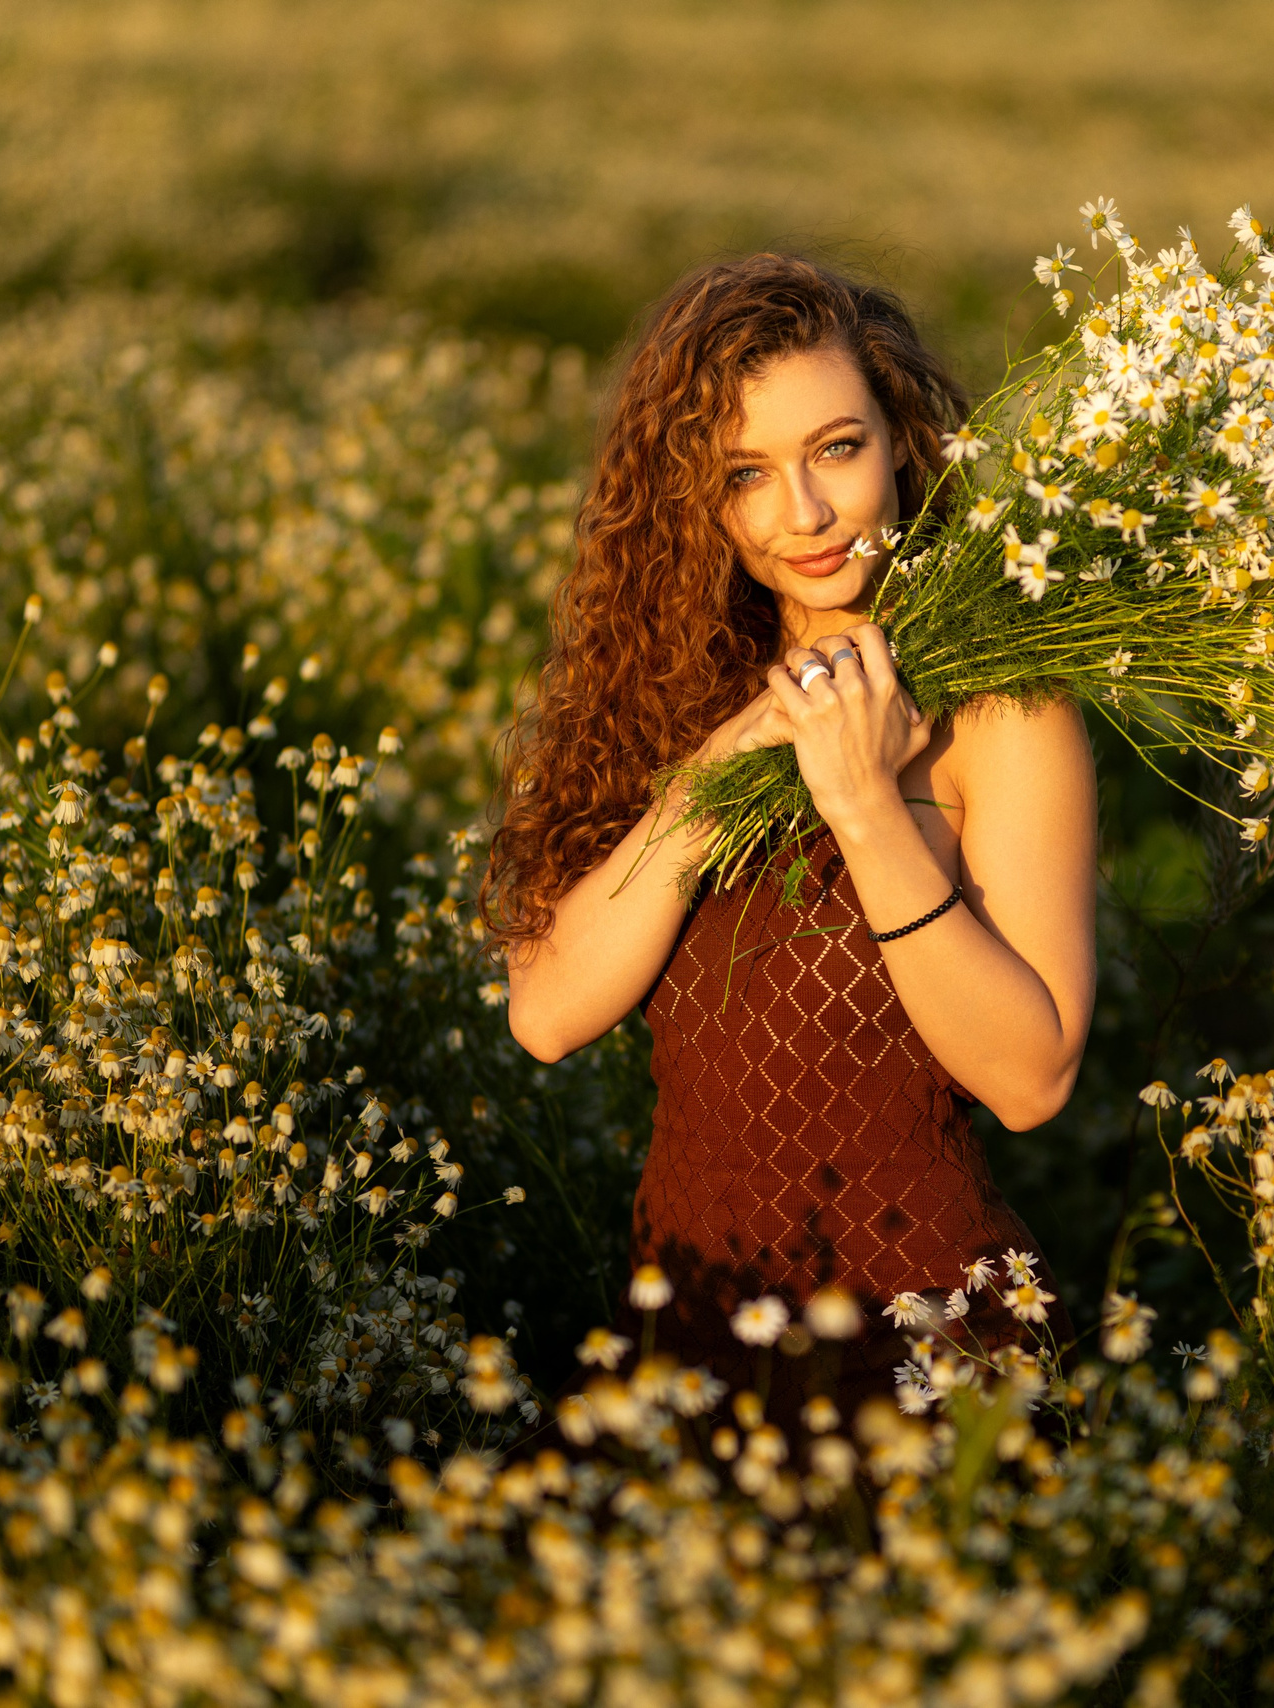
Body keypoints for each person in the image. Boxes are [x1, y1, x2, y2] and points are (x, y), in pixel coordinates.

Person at [484, 253, 1093, 1424]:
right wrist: (712, 774)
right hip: (687, 1333)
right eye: (746, 474)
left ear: (903, 439)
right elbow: (548, 1013)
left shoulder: (1002, 709)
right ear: (693, 501)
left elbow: (1031, 1078)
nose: (803, 515)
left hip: (923, 1347)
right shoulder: (655, 692)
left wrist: (865, 806)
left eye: (837, 449)